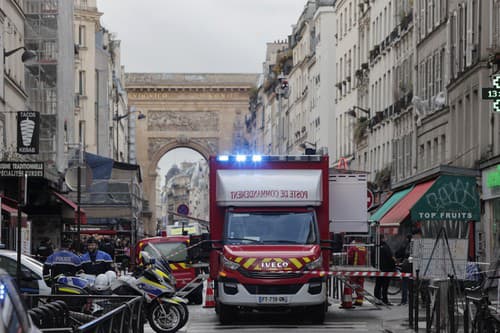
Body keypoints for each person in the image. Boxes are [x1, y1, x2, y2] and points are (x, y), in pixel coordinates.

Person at [372, 234, 396, 305]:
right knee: (385, 286)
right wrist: (393, 266)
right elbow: (390, 257)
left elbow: (372, 257)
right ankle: (384, 299)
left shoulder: (375, 247)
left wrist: (374, 266)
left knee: (378, 284)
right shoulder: (386, 247)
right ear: (383, 238)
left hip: (378, 269)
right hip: (387, 269)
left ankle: (377, 299)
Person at [347, 238, 367, 306]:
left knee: (350, 284)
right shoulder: (363, 247)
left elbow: (349, 257)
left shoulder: (353, 247)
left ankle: (348, 301)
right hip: (362, 268)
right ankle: (359, 300)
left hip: (354, 268)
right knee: (360, 285)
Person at [395, 234, 412, 305]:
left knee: (405, 284)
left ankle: (404, 301)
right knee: (411, 285)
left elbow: (397, 253)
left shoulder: (405, 245)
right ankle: (411, 301)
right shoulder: (412, 246)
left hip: (406, 267)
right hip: (412, 268)